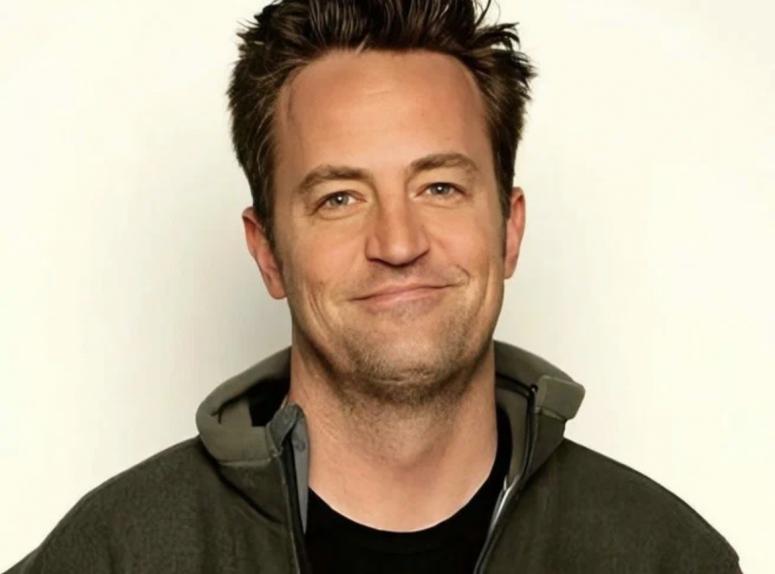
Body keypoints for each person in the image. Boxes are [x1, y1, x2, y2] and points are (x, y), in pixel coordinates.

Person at [6, 1, 740, 572]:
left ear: (509, 230)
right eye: (339, 198)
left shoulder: (665, 558)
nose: (397, 243)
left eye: (440, 187)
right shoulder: (115, 556)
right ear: (268, 254)